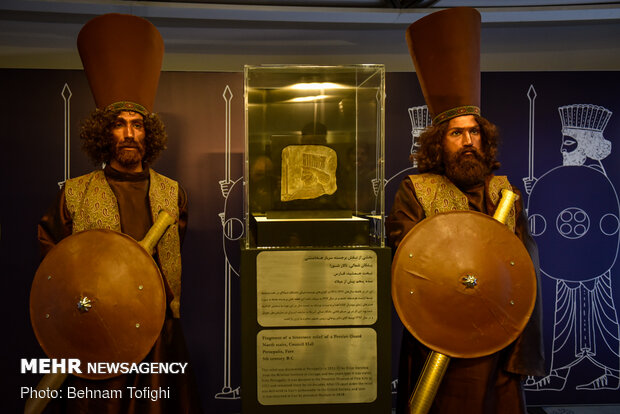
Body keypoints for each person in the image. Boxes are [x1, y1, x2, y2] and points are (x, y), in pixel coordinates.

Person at [36, 13, 201, 413]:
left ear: (150, 135)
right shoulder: (73, 194)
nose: (129, 134)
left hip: (157, 331)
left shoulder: (172, 193)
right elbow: (54, 265)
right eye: (119, 125)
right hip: (98, 330)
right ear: (103, 133)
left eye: (138, 125)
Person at [386, 7, 545, 413]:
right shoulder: (415, 190)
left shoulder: (505, 192)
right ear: (440, 142)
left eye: (474, 131)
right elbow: (408, 263)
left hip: (500, 336)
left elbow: (525, 266)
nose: (468, 140)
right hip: (441, 338)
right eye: (457, 133)